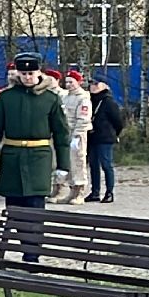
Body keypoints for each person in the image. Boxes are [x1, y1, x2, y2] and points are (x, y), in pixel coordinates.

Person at [0, 52, 72, 232]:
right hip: (12, 156)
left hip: (39, 157)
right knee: (14, 208)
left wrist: (63, 165)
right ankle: (19, 246)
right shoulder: (6, 97)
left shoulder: (50, 99)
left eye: (31, 73)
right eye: (23, 74)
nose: (28, 77)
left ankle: (32, 253)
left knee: (35, 207)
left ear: (39, 72)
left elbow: (61, 134)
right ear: (18, 74)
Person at [86, 78, 124, 203]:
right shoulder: (89, 100)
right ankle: (95, 192)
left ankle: (109, 192)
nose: (93, 86)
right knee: (93, 165)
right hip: (92, 137)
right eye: (91, 84)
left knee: (106, 165)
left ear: (105, 86)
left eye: (96, 84)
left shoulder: (108, 102)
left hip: (105, 138)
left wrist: (114, 134)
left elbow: (118, 122)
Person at [60, 70, 94, 203]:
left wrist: (77, 136)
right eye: (67, 82)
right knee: (68, 163)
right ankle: (71, 190)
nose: (68, 85)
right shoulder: (66, 96)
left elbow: (83, 119)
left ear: (78, 82)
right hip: (65, 133)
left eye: (71, 82)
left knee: (78, 162)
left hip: (77, 134)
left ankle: (80, 192)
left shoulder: (83, 98)